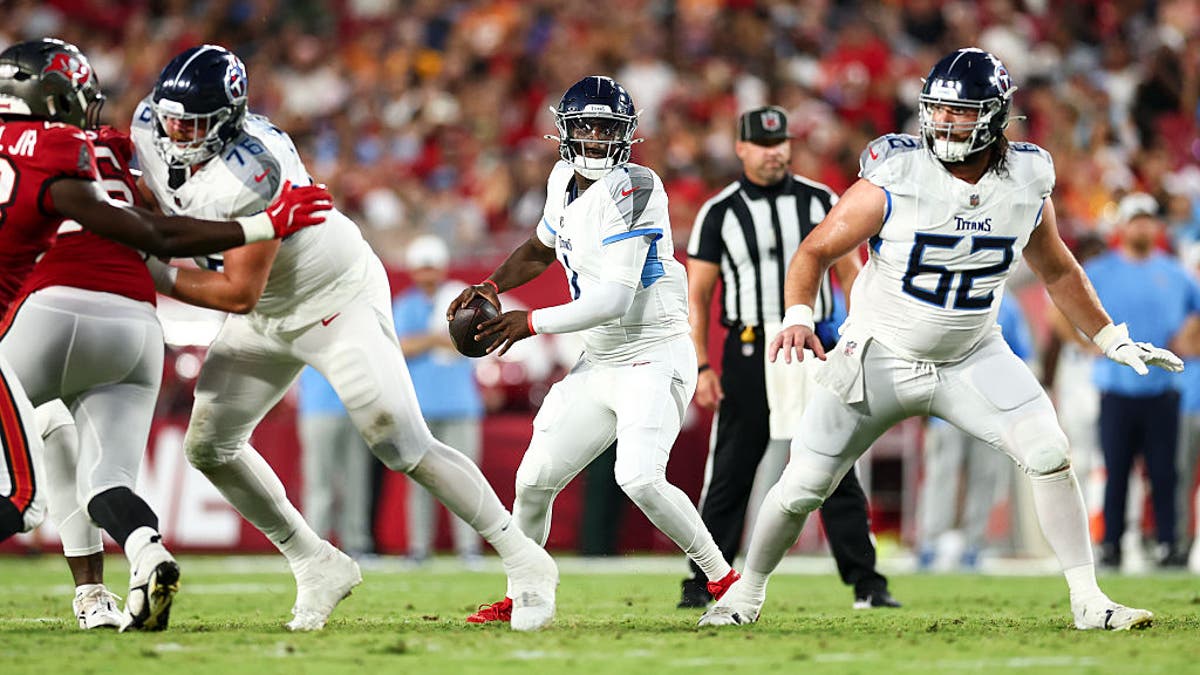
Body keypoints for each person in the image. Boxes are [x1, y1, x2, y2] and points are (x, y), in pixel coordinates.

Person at [700, 48, 1176, 631]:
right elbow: (816, 250)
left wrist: (1108, 337)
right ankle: (745, 594)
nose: (944, 123)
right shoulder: (898, 173)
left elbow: (1057, 269)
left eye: (961, 112)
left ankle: (1087, 599)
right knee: (801, 487)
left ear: (996, 115)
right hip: (877, 357)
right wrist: (798, 313)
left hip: (972, 354)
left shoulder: (1027, 179)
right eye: (938, 110)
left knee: (1050, 454)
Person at [131, 44, 556, 632]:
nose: (174, 131)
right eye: (170, 115)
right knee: (209, 447)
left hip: (331, 299)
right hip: (268, 312)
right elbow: (159, 207)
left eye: (192, 121)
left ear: (227, 117)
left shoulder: (254, 171)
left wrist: (141, 261)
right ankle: (315, 562)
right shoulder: (149, 126)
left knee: (400, 442)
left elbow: (235, 293)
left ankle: (524, 557)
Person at [0, 38, 331, 630]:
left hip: (45, 307)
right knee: (108, 482)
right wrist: (261, 219)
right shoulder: (126, 150)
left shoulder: (42, 150)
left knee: (40, 456)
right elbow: (160, 224)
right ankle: (145, 555)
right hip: (135, 320)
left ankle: (90, 595)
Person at [449, 75, 737, 624]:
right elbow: (540, 248)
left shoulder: (638, 187)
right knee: (533, 481)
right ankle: (527, 593)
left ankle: (725, 581)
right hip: (601, 360)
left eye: (608, 128)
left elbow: (612, 300)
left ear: (627, 134)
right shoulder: (562, 179)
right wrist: (492, 285)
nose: (597, 138)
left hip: (653, 353)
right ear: (566, 132)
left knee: (640, 478)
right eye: (586, 126)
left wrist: (528, 322)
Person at [680, 106, 897, 609]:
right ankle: (704, 579)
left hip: (813, 345)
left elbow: (851, 273)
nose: (773, 151)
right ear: (741, 148)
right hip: (750, 346)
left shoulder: (820, 199)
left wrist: (857, 334)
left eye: (780, 142)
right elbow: (697, 296)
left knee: (835, 461)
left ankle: (866, 581)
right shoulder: (720, 211)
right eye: (762, 142)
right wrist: (702, 364)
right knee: (732, 470)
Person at [1083, 193, 1200, 569]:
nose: (1142, 226)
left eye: (1149, 219)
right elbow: (1062, 311)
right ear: (1122, 226)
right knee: (1116, 472)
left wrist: (1188, 337)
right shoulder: (1101, 271)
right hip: (1116, 387)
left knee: (1166, 472)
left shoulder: (1176, 272)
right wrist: (1085, 342)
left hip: (1163, 389)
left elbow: (1196, 312)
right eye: (1136, 220)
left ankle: (1168, 543)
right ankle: (1111, 544)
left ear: (1157, 226)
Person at [916, 292, 1033, 571]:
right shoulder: (945, 296)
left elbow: (1022, 358)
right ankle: (930, 544)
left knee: (985, 477)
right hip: (948, 406)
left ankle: (973, 545)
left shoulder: (1008, 304)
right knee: (942, 475)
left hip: (991, 409)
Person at [393, 234, 483, 566]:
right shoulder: (405, 305)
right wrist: (438, 339)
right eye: (422, 268)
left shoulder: (461, 301)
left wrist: (426, 341)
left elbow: (471, 343)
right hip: (419, 406)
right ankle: (419, 547)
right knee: (422, 481)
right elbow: (399, 347)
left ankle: (468, 546)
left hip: (460, 403)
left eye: (432, 267)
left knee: (466, 479)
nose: (428, 274)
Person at [296, 367, 375, 559]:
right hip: (318, 408)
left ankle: (356, 544)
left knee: (356, 483)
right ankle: (314, 545)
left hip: (354, 410)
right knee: (320, 482)